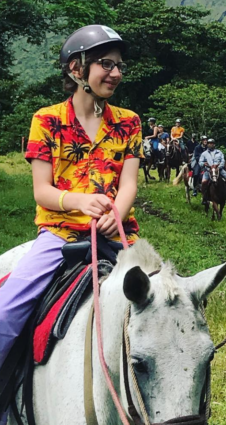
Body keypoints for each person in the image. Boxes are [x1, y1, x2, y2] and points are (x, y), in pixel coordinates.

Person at [0, 24, 142, 382]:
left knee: (171, 306)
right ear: (77, 69)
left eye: (119, 66)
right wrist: (81, 201)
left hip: (120, 237)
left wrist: (116, 213)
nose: (116, 73)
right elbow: (42, 191)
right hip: (60, 236)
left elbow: (128, 185)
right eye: (106, 64)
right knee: (6, 312)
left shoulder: (129, 123)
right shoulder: (46, 120)